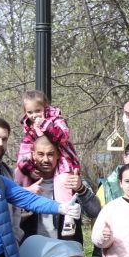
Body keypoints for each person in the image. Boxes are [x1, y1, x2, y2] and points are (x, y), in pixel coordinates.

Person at [15, 90, 81, 235]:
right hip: (34, 240)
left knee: (63, 181)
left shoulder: (56, 120)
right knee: (20, 172)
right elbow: (24, 151)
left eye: (38, 111)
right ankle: (23, 207)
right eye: (30, 112)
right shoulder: (30, 129)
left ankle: (67, 217)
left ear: (45, 107)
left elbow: (63, 136)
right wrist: (28, 168)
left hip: (63, 163)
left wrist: (45, 124)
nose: (34, 116)